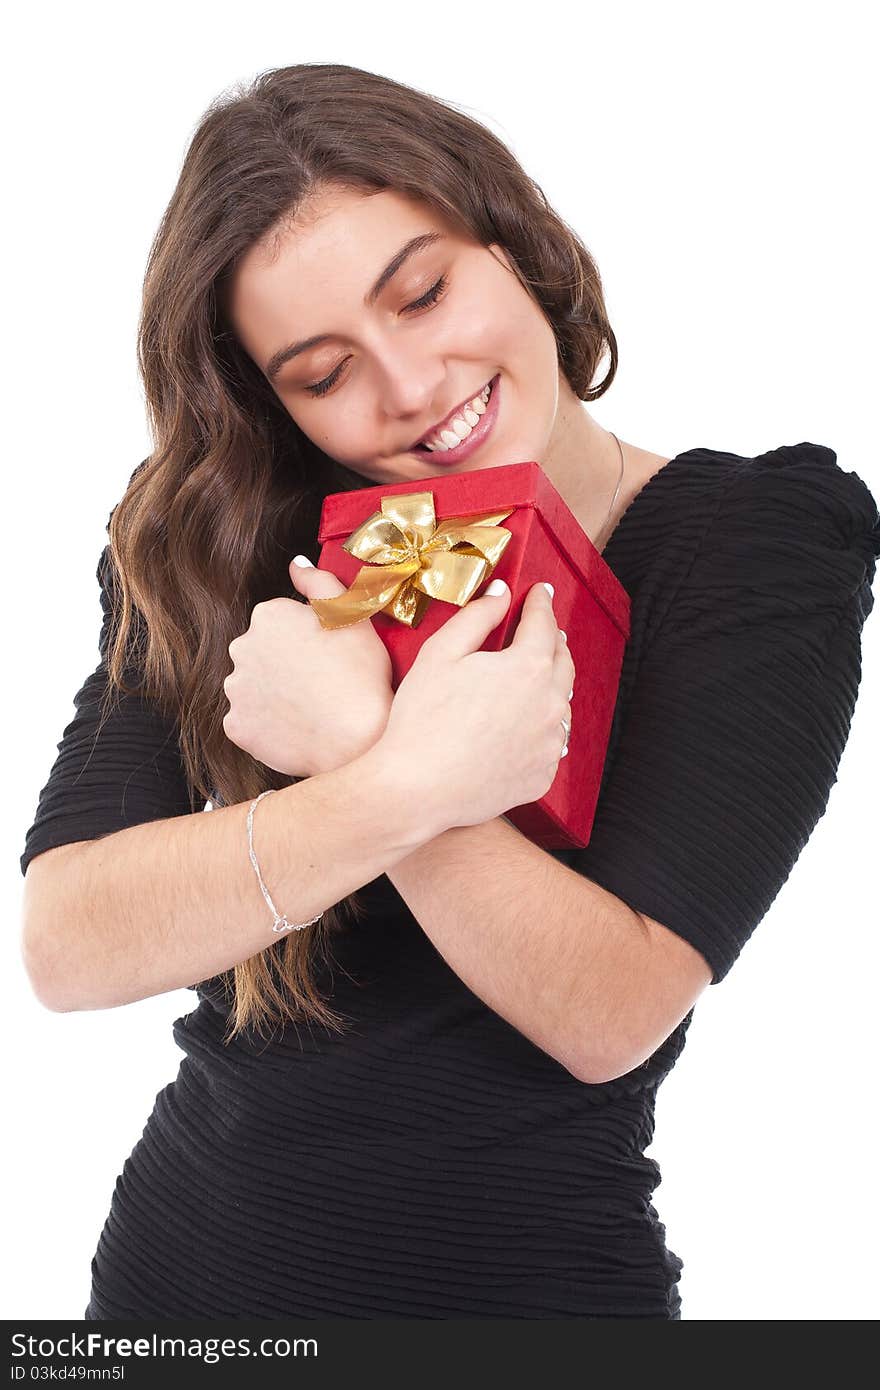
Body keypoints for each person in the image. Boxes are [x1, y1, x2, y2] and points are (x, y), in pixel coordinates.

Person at [19, 62, 880, 1321]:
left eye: (422, 294)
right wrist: (395, 784)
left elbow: (610, 1007)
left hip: (520, 1299)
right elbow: (67, 940)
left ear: (512, 241)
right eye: (323, 372)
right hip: (171, 1284)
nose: (413, 388)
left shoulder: (760, 536)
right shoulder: (214, 549)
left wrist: (361, 742)